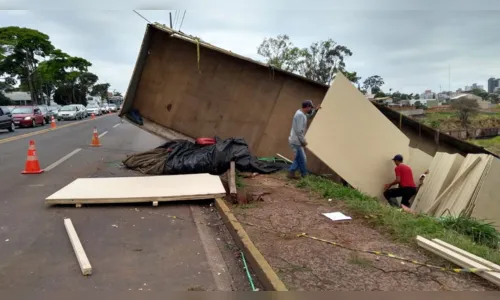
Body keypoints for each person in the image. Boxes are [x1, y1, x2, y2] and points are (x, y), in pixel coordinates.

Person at [287, 100, 320, 179]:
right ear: (307, 107)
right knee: (302, 159)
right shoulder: (299, 115)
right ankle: (303, 175)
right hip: (296, 141)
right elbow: (299, 131)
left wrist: (315, 110)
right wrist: (303, 141)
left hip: (296, 140)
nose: (311, 110)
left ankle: (292, 173)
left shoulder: (302, 114)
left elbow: (308, 116)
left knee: (299, 158)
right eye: (310, 108)